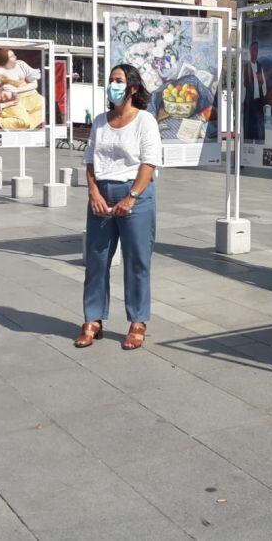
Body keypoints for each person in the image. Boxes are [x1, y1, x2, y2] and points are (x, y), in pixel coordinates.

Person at [76, 64, 162, 351]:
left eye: (118, 81)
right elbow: (90, 159)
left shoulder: (145, 120)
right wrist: (93, 192)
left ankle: (138, 321)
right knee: (97, 261)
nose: (113, 85)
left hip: (135, 195)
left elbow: (149, 163)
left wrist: (132, 197)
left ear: (133, 88)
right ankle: (93, 319)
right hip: (101, 196)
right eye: (111, 81)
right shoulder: (100, 121)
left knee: (137, 261)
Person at [243, 40, 266, 142]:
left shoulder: (260, 67)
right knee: (249, 132)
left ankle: (259, 152)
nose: (255, 51)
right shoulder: (245, 67)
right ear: (250, 51)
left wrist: (261, 81)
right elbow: (242, 88)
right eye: (253, 49)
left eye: (257, 49)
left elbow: (265, 90)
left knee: (259, 133)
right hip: (249, 104)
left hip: (259, 104)